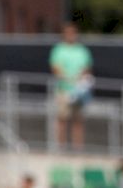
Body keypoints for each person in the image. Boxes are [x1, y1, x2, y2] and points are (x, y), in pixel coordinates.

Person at [49, 21, 93, 150]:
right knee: (62, 119)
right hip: (63, 90)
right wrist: (66, 79)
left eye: (73, 32)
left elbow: (87, 67)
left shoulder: (82, 51)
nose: (71, 35)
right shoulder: (59, 50)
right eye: (68, 32)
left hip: (79, 92)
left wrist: (80, 82)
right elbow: (55, 67)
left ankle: (78, 149)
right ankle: (61, 148)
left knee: (78, 120)